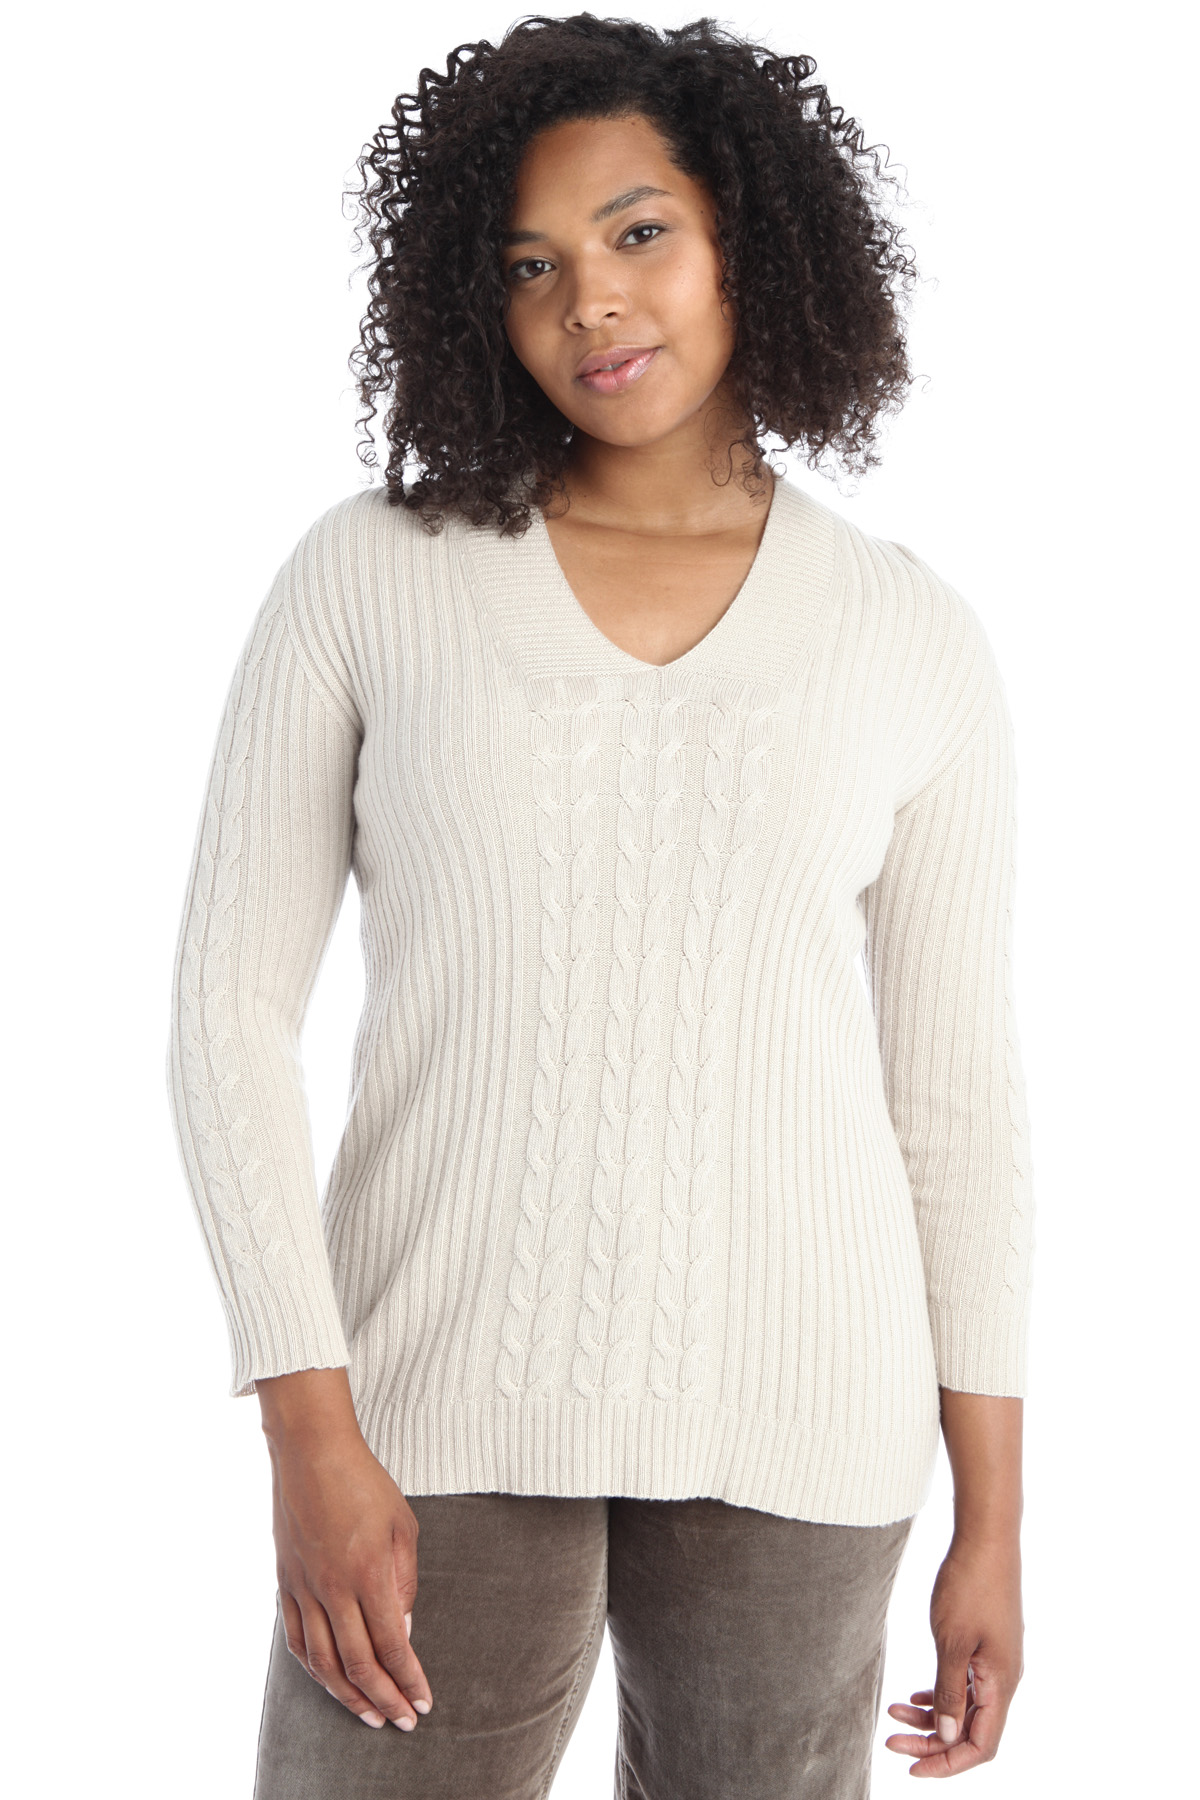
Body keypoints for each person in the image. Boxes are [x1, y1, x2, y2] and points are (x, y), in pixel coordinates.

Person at [166, 15, 1035, 1798]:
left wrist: (995, 1525)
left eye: (640, 233)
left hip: (809, 1412)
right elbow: (225, 1017)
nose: (590, 303)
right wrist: (305, 1423)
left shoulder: (909, 634)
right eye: (531, 265)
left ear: (748, 242)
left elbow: (956, 1110)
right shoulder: (371, 576)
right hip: (429, 1403)